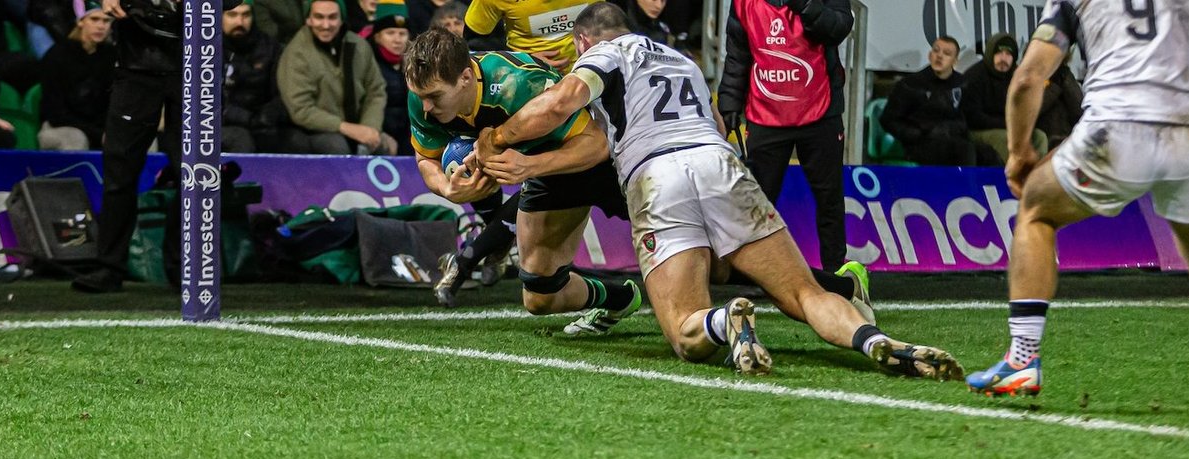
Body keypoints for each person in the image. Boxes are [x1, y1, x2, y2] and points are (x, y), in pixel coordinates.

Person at [476, 2, 958, 377]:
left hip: (657, 176)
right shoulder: (681, 60)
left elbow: (561, 103)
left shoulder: (604, 54)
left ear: (583, 40)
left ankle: (722, 320)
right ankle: (871, 338)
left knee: (683, 329)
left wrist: (495, 141)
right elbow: (710, 120)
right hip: (719, 163)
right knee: (803, 292)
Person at [968, 0, 1189, 393]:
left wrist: (1018, 151)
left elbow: (1028, 77)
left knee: (1036, 210)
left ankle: (1022, 359)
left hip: (1115, 130)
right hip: (1188, 134)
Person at [405, 28, 643, 335]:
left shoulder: (517, 84)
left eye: (434, 97)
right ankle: (621, 298)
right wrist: (446, 188)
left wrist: (529, 166)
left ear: (465, 77)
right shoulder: (423, 95)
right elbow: (426, 159)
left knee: (697, 243)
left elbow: (597, 145)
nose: (425, 107)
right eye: (419, 96)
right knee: (540, 295)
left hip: (607, 163)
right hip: (544, 170)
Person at [72, 0, 244, 293]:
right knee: (119, 169)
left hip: (196, 62)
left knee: (194, 171)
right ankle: (110, 266)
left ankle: (186, 266)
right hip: (136, 62)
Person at [717, 0, 852, 272]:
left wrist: (805, 5)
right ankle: (756, 273)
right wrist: (730, 101)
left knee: (830, 199)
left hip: (821, 113)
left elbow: (839, 28)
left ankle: (836, 270)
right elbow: (738, 54)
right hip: (765, 115)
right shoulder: (743, 3)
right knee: (757, 200)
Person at [277, 0, 391, 155]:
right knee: (336, 146)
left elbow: (376, 91)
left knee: (384, 145)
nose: (325, 25)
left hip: (356, 126)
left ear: (341, 19)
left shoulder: (359, 46)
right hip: (311, 131)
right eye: (319, 17)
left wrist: (370, 128)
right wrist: (347, 128)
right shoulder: (296, 53)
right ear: (308, 19)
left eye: (332, 17)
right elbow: (301, 110)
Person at [881, 36, 999, 166]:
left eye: (947, 54)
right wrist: (916, 134)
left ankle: (1001, 186)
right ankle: (964, 186)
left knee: (988, 154)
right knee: (963, 150)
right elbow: (888, 119)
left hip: (954, 141)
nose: (939, 56)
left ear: (955, 61)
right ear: (930, 55)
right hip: (921, 144)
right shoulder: (911, 84)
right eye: (936, 51)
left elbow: (970, 115)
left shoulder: (963, 84)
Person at [38, 0, 116, 151]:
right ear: (80, 22)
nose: (101, 26)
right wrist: (98, 134)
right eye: (94, 19)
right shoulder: (57, 56)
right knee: (76, 139)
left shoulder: (111, 56)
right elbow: (56, 114)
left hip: (100, 129)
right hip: (59, 127)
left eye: (106, 20)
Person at [961, 32, 1049, 163]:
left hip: (1009, 127)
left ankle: (1035, 178)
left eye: (1008, 54)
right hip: (979, 130)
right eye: (999, 53)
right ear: (990, 53)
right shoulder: (974, 76)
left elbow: (1026, 110)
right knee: (1005, 138)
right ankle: (1010, 178)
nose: (1003, 58)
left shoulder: (1018, 76)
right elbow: (974, 118)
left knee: (1040, 137)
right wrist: (1008, 125)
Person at [221, 0, 288, 153]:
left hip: (260, 121)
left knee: (285, 138)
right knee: (241, 139)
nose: (240, 21)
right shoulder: (207, 49)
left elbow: (281, 93)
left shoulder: (270, 47)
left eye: (246, 15)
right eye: (232, 15)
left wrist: (270, 113)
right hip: (217, 124)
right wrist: (247, 119)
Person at [463, 0, 598, 72]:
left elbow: (618, 22)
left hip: (596, 70)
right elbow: (474, 44)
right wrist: (522, 60)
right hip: (528, 80)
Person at [369, 0, 412, 155]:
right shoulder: (368, 62)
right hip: (378, 133)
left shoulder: (413, 64)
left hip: (408, 134)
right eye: (390, 33)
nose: (397, 39)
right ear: (377, 37)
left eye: (402, 33)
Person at [1034, 55, 1082, 149]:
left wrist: (1064, 80)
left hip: (1067, 137)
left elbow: (1078, 110)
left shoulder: (1063, 73)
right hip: (1043, 138)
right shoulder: (1032, 76)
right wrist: (1055, 86)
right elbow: (1032, 110)